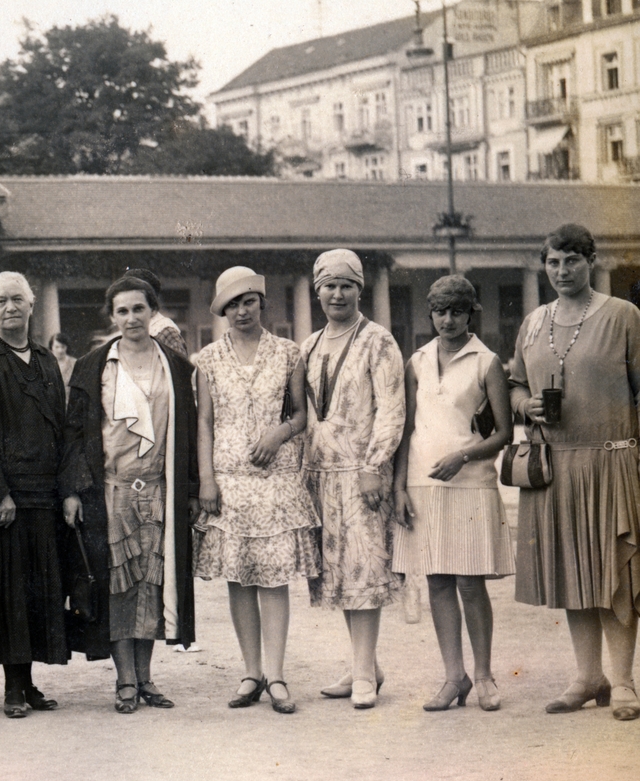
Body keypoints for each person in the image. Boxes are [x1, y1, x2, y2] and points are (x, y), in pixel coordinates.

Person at [509, 224, 640, 721]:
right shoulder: (533, 321)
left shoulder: (624, 316)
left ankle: (624, 681)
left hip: (611, 460)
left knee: (615, 578)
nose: (561, 271)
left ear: (590, 261)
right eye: (553, 262)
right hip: (554, 465)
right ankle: (588, 678)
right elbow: (516, 386)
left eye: (571, 261)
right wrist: (529, 407)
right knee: (573, 574)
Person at [62, 276, 198, 713]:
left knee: (153, 586)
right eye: (122, 310)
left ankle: (147, 678)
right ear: (113, 316)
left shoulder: (175, 365)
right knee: (117, 585)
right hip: (111, 490)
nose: (131, 318)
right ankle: (124, 680)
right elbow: (74, 433)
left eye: (139, 309)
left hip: (159, 489)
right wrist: (74, 492)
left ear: (152, 311)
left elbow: (190, 434)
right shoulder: (94, 365)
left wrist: (191, 489)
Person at [193, 267, 317, 715]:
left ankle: (278, 674)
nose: (242, 311)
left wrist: (279, 433)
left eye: (249, 301)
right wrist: (207, 478)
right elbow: (204, 422)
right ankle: (251, 671)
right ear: (222, 311)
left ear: (262, 304)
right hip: (228, 481)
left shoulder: (288, 354)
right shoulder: (206, 359)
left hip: (274, 480)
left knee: (274, 577)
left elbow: (302, 414)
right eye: (232, 305)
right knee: (239, 578)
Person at [392, 275, 515, 712]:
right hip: (423, 486)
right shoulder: (417, 361)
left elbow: (502, 433)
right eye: (441, 311)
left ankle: (483, 675)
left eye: (457, 311)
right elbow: (405, 431)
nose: (448, 320)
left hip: (470, 485)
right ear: (431, 314)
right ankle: (453, 677)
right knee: (438, 581)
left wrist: (462, 457)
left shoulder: (487, 361)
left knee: (470, 581)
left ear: (470, 313)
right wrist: (399, 487)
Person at [0, 274, 70, 717]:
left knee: (39, 590)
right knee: (9, 593)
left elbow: (61, 429)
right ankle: (12, 687)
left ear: (31, 305)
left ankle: (29, 683)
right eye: (1, 301)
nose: (10, 308)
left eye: (17, 300)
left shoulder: (45, 360)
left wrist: (65, 490)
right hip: (6, 498)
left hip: (44, 494)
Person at [302, 249, 406, 709]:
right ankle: (367, 664)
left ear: (360, 289)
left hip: (361, 476)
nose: (337, 293)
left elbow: (392, 409)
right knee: (340, 576)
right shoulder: (308, 345)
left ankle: (364, 672)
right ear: (317, 289)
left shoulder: (378, 340)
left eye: (347, 285)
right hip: (320, 476)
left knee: (364, 572)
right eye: (329, 285)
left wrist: (374, 465)